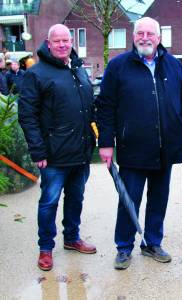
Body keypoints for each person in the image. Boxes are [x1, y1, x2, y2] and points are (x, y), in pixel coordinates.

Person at [96, 17, 182, 270]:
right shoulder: (118, 66)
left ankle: (152, 243)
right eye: (140, 33)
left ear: (159, 38)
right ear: (134, 36)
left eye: (150, 33)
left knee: (159, 198)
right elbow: (105, 106)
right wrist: (105, 143)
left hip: (165, 148)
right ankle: (124, 247)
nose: (145, 37)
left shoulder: (173, 66)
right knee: (130, 199)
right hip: (133, 148)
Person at [18, 24, 97, 271]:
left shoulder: (78, 70)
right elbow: (27, 115)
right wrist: (38, 151)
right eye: (58, 41)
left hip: (80, 152)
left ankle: (72, 238)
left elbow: (88, 109)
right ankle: (45, 248)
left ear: (71, 42)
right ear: (48, 43)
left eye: (67, 40)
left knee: (76, 198)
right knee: (49, 202)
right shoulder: (37, 73)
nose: (63, 45)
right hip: (53, 155)